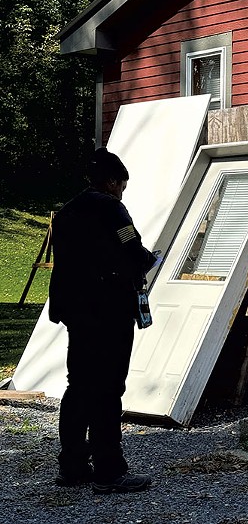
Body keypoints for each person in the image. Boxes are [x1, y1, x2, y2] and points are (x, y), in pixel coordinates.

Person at [49, 147, 157, 493]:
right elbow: (131, 247)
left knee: (78, 386)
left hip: (77, 312)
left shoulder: (65, 213)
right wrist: (148, 260)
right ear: (112, 182)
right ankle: (109, 471)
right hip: (109, 309)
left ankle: (73, 466)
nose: (122, 191)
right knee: (109, 389)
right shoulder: (112, 209)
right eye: (122, 186)